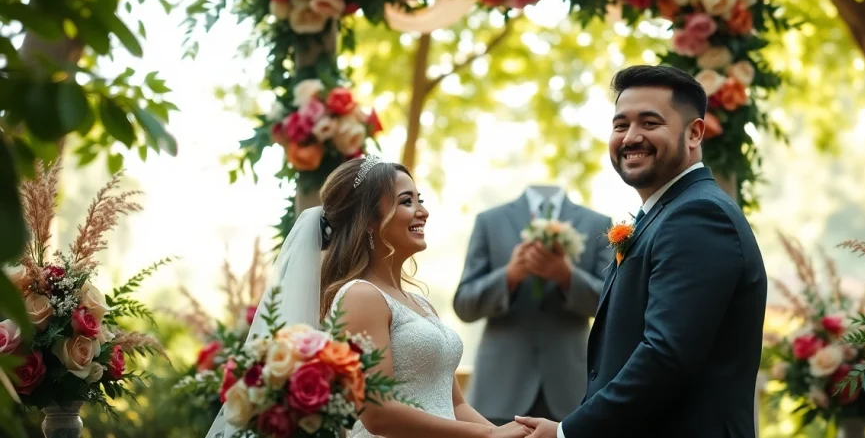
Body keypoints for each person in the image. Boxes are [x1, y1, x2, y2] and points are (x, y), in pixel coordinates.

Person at [516, 65, 768, 437]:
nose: (631, 137)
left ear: (694, 133)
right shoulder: (667, 213)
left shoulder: (698, 216)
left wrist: (567, 433)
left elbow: (666, 357)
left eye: (650, 123)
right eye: (620, 125)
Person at [205, 156, 529, 438]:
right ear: (370, 220)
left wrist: (508, 434)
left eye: (420, 199)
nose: (423, 211)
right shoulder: (360, 296)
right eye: (407, 201)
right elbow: (376, 413)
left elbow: (455, 405)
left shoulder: (421, 304)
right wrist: (488, 435)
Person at [452, 184, 614, 425]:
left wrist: (568, 277)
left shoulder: (598, 224)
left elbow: (612, 305)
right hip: (499, 389)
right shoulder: (490, 221)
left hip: (571, 391)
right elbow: (464, 305)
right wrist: (509, 275)